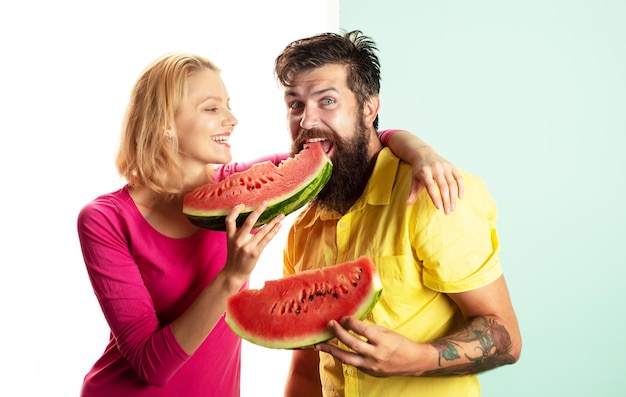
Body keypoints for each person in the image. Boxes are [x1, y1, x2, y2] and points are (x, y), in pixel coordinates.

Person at [76, 52, 463, 396]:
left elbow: (333, 146)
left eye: (228, 105)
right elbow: (151, 366)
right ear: (165, 124)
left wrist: (422, 152)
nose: (232, 119)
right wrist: (232, 276)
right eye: (212, 109)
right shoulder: (105, 219)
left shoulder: (243, 186)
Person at [276, 30, 522, 397]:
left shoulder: (434, 196)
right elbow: (307, 367)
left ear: (369, 108)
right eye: (295, 104)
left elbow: (505, 336)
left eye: (327, 100)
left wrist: (419, 358)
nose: (307, 120)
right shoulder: (304, 226)